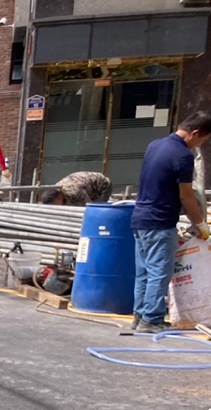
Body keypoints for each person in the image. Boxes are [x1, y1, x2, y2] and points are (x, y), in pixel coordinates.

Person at [131, 113, 211, 331]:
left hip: (140, 219)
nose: (199, 146)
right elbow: (186, 196)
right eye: (202, 141)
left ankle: (139, 317)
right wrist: (200, 224)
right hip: (160, 222)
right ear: (195, 133)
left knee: (144, 272)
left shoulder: (155, 145)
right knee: (159, 273)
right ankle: (151, 319)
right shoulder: (183, 155)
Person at [40, 170, 112, 206]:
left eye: (54, 205)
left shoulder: (74, 193)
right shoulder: (57, 187)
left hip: (103, 186)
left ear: (58, 198)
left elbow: (88, 207)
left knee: (97, 209)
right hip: (86, 185)